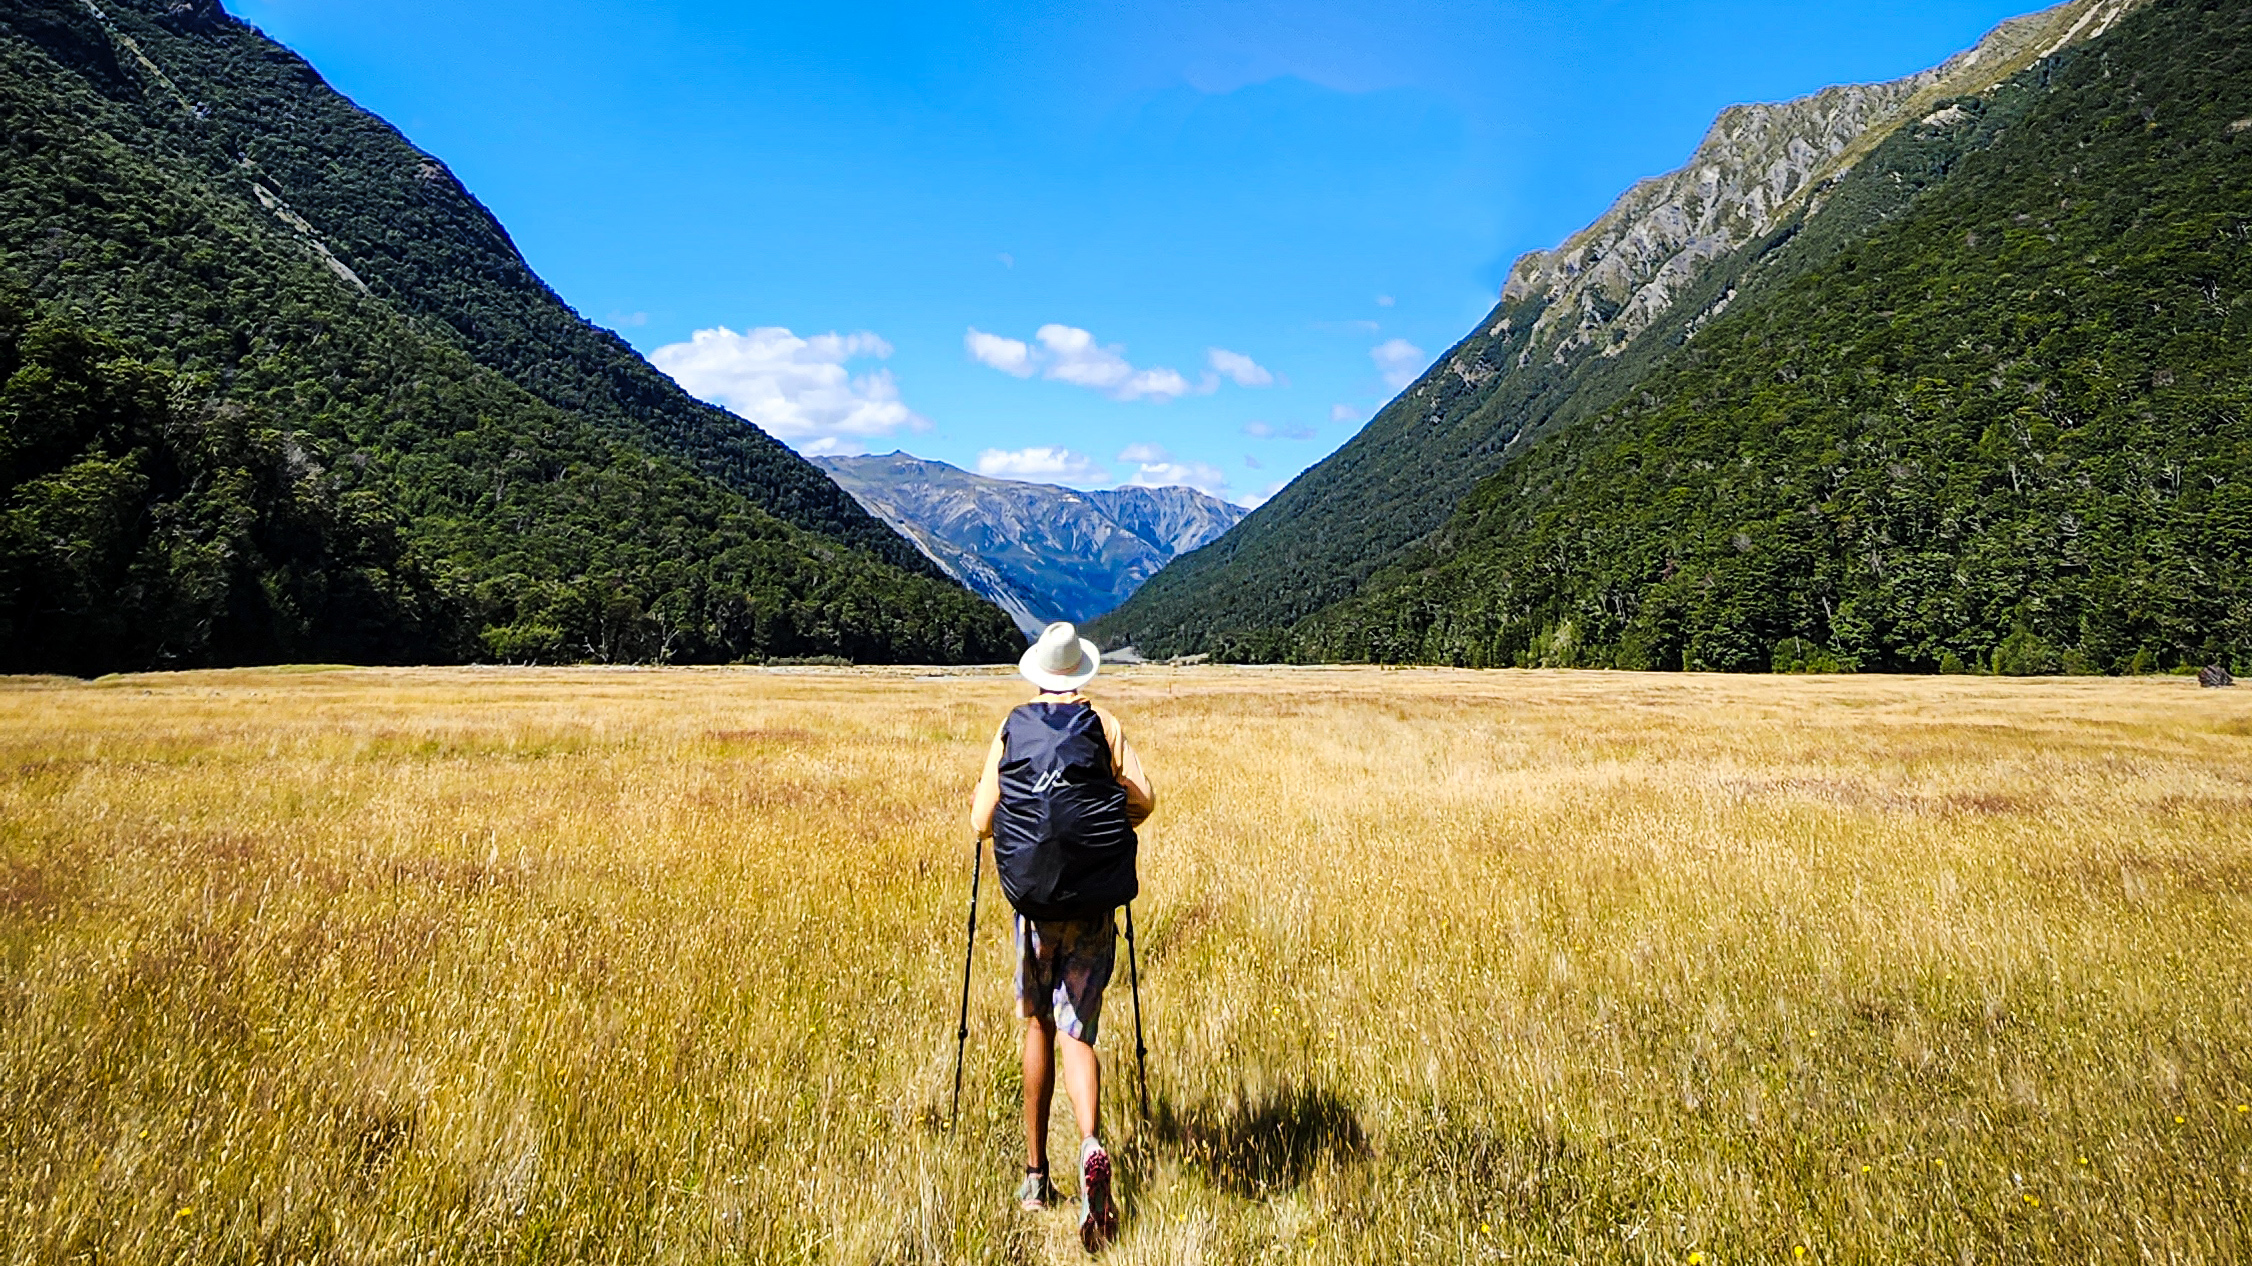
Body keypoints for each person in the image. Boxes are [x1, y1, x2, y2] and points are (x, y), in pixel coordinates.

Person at [970, 620, 1155, 1251]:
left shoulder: (1011, 727)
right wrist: (1104, 809)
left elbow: (980, 819)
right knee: (1079, 1029)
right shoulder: (1103, 727)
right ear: (1080, 674)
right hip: (1093, 903)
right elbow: (1146, 800)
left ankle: (1034, 1176)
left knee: (1038, 1027)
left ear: (1038, 675)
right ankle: (1090, 1145)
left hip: (1034, 906)